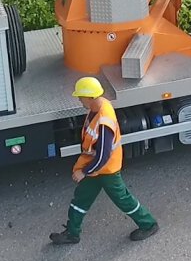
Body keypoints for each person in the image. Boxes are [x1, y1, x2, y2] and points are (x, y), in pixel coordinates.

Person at [50, 77, 159, 245]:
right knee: (80, 199)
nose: (79, 100)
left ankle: (149, 224)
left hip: (106, 169)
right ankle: (72, 233)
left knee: (122, 199)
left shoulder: (103, 120)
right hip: (95, 167)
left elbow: (103, 155)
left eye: (81, 97)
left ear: (91, 97)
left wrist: (83, 172)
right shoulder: (97, 107)